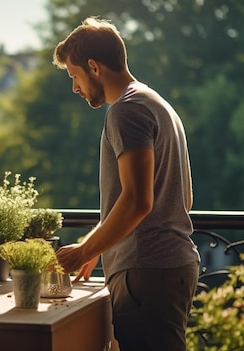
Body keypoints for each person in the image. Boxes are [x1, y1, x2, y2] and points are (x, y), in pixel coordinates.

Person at [52, 17, 200, 351]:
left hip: (146, 272)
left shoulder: (126, 111)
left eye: (75, 76)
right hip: (169, 267)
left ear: (93, 67)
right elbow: (182, 200)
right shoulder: (157, 104)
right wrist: (100, 246)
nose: (75, 87)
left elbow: (137, 201)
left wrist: (85, 250)